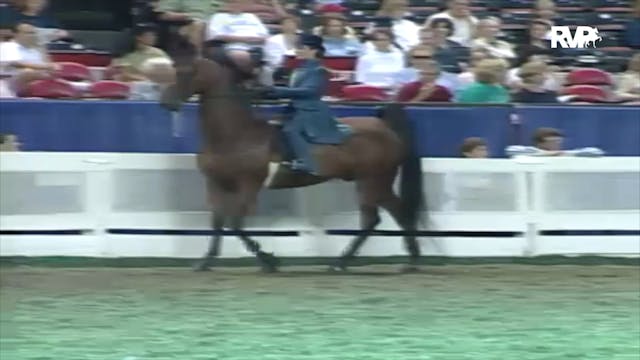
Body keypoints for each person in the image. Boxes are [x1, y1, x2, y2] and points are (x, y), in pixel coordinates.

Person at [262, 34, 348, 174]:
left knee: (291, 130)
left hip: (310, 109)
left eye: (301, 48)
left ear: (313, 50)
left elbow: (309, 91)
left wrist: (278, 90)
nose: (297, 51)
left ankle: (307, 163)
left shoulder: (318, 70)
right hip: (296, 107)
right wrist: (269, 92)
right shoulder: (301, 69)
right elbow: (292, 90)